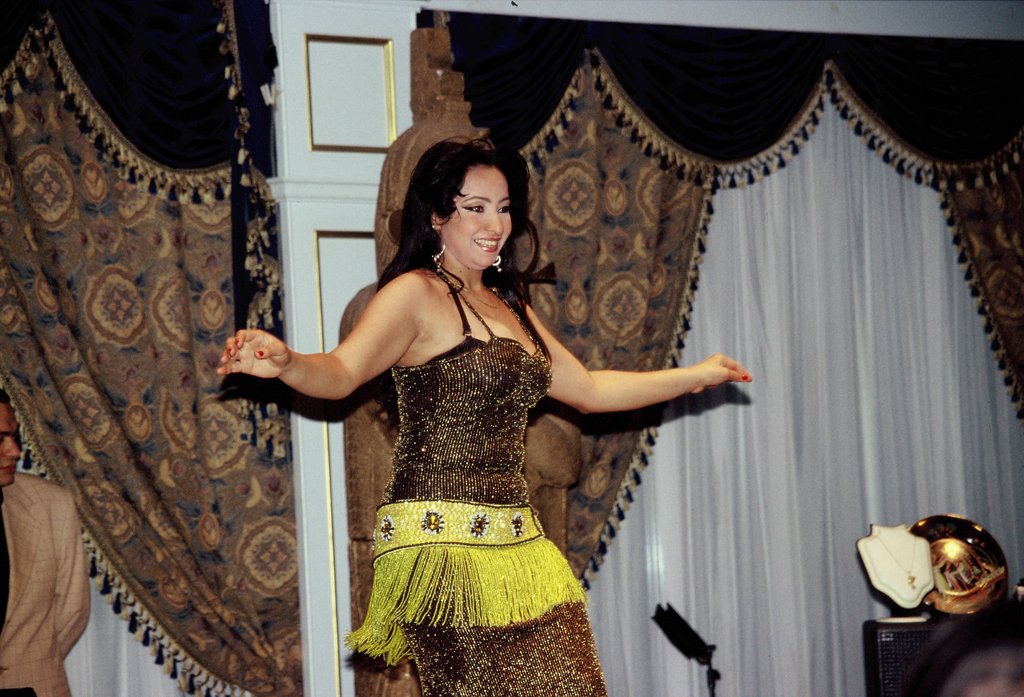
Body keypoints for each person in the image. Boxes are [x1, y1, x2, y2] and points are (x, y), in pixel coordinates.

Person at [218, 138, 751, 696]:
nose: (494, 224)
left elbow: (589, 390)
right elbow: (342, 371)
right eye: (475, 207)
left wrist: (695, 375)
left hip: (517, 540)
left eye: (503, 208)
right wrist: (288, 363)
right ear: (437, 216)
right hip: (441, 546)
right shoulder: (414, 294)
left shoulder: (511, 304)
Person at [0, 389, 90, 697]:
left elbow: (72, 612)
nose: (14, 451)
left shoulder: (50, 504)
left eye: (14, 436)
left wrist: (29, 660)